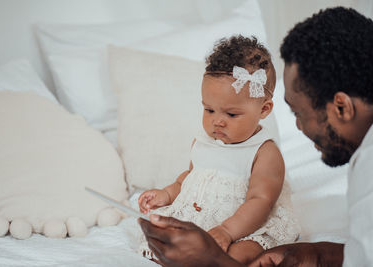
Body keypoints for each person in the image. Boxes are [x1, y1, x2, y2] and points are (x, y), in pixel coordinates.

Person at [138, 6, 373, 267]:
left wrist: (214, 261)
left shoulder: (368, 170)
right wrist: (315, 253)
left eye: (298, 113)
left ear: (342, 107)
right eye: (209, 109)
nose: (298, 127)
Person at [137, 35, 300, 264]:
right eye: (209, 110)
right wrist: (165, 194)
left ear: (264, 109)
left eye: (231, 114)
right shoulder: (202, 142)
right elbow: (189, 179)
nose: (217, 121)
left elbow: (260, 201)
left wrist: (227, 231)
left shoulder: (264, 153)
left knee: (243, 253)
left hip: (245, 226)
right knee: (159, 237)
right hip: (203, 219)